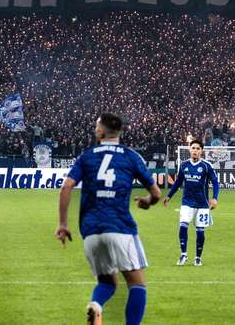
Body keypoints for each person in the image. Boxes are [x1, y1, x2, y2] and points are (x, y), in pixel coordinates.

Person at [56, 113, 162, 325]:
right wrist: (148, 202)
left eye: (96, 126)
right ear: (120, 132)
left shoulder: (87, 156)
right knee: (137, 285)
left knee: (107, 283)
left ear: (101, 131)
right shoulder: (131, 156)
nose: (95, 130)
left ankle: (96, 305)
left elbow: (67, 186)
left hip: (91, 232)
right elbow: (157, 193)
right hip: (120, 226)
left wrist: (63, 224)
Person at [163, 139, 219, 266]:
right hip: (187, 202)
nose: (195, 150)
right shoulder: (184, 165)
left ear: (201, 151)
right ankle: (183, 255)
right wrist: (169, 196)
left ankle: (198, 257)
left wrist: (215, 198)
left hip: (202, 204)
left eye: (198, 148)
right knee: (183, 225)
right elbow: (178, 182)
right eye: (193, 148)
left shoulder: (206, 165)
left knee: (200, 231)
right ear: (189, 150)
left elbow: (215, 182)